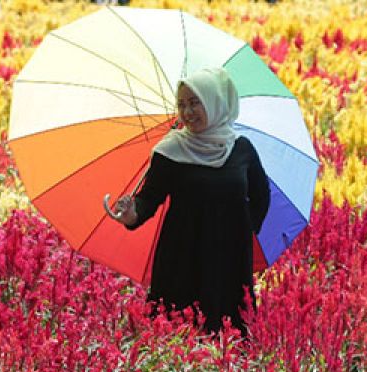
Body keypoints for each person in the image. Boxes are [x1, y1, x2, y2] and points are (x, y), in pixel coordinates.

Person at [104, 67, 270, 336]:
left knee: (230, 337)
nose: (188, 112)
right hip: (181, 256)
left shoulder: (241, 148)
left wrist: (241, 231)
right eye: (182, 105)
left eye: (195, 103)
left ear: (214, 102)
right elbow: (149, 199)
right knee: (179, 334)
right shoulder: (169, 151)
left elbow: (261, 196)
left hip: (228, 260)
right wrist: (132, 213)